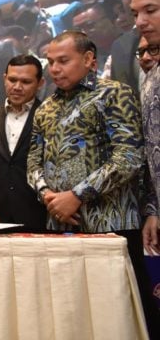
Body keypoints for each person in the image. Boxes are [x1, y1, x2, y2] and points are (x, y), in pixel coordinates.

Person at [27, 31, 159, 336]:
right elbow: (33, 162)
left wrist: (77, 195)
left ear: (88, 59)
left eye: (63, 60)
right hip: (60, 225)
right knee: (71, 312)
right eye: (50, 62)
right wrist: (47, 195)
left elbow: (129, 156)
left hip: (112, 224)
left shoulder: (114, 94)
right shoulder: (45, 107)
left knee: (123, 311)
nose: (54, 69)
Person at [0, 55, 46, 230]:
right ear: (4, 78)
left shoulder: (49, 116)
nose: (17, 87)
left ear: (40, 83)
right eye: (12, 80)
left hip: (38, 215)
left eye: (26, 82)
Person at [132, 0, 160, 255]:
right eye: (136, 13)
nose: (140, 21)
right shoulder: (151, 77)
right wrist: (153, 209)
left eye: (150, 10)